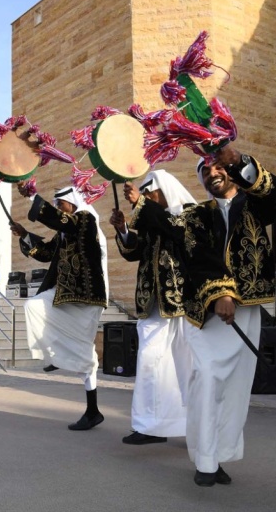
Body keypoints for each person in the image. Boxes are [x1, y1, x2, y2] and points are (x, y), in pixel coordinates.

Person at [137, 144, 276, 486]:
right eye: (205, 171)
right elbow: (195, 254)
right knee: (206, 379)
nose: (212, 174)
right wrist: (220, 292)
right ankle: (204, 459)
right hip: (205, 312)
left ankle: (218, 456)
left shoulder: (255, 206)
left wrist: (241, 161)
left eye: (217, 168)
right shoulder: (195, 216)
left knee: (235, 388)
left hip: (247, 309)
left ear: (230, 171)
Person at [10, 185, 108, 430]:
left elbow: (63, 221)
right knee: (34, 305)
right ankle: (55, 353)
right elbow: (44, 253)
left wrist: (33, 197)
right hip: (65, 295)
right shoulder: (65, 233)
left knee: (86, 353)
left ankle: (92, 409)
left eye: (60, 204)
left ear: (73, 203)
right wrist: (24, 234)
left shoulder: (86, 219)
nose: (58, 209)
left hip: (86, 296)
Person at [110, 170, 195, 446]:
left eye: (150, 192)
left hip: (184, 303)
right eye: (143, 193)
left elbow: (174, 230)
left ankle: (195, 424)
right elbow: (136, 251)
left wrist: (139, 206)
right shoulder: (150, 218)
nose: (146, 197)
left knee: (187, 366)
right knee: (149, 363)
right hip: (152, 303)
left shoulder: (189, 213)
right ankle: (150, 425)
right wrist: (123, 230)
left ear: (165, 190)